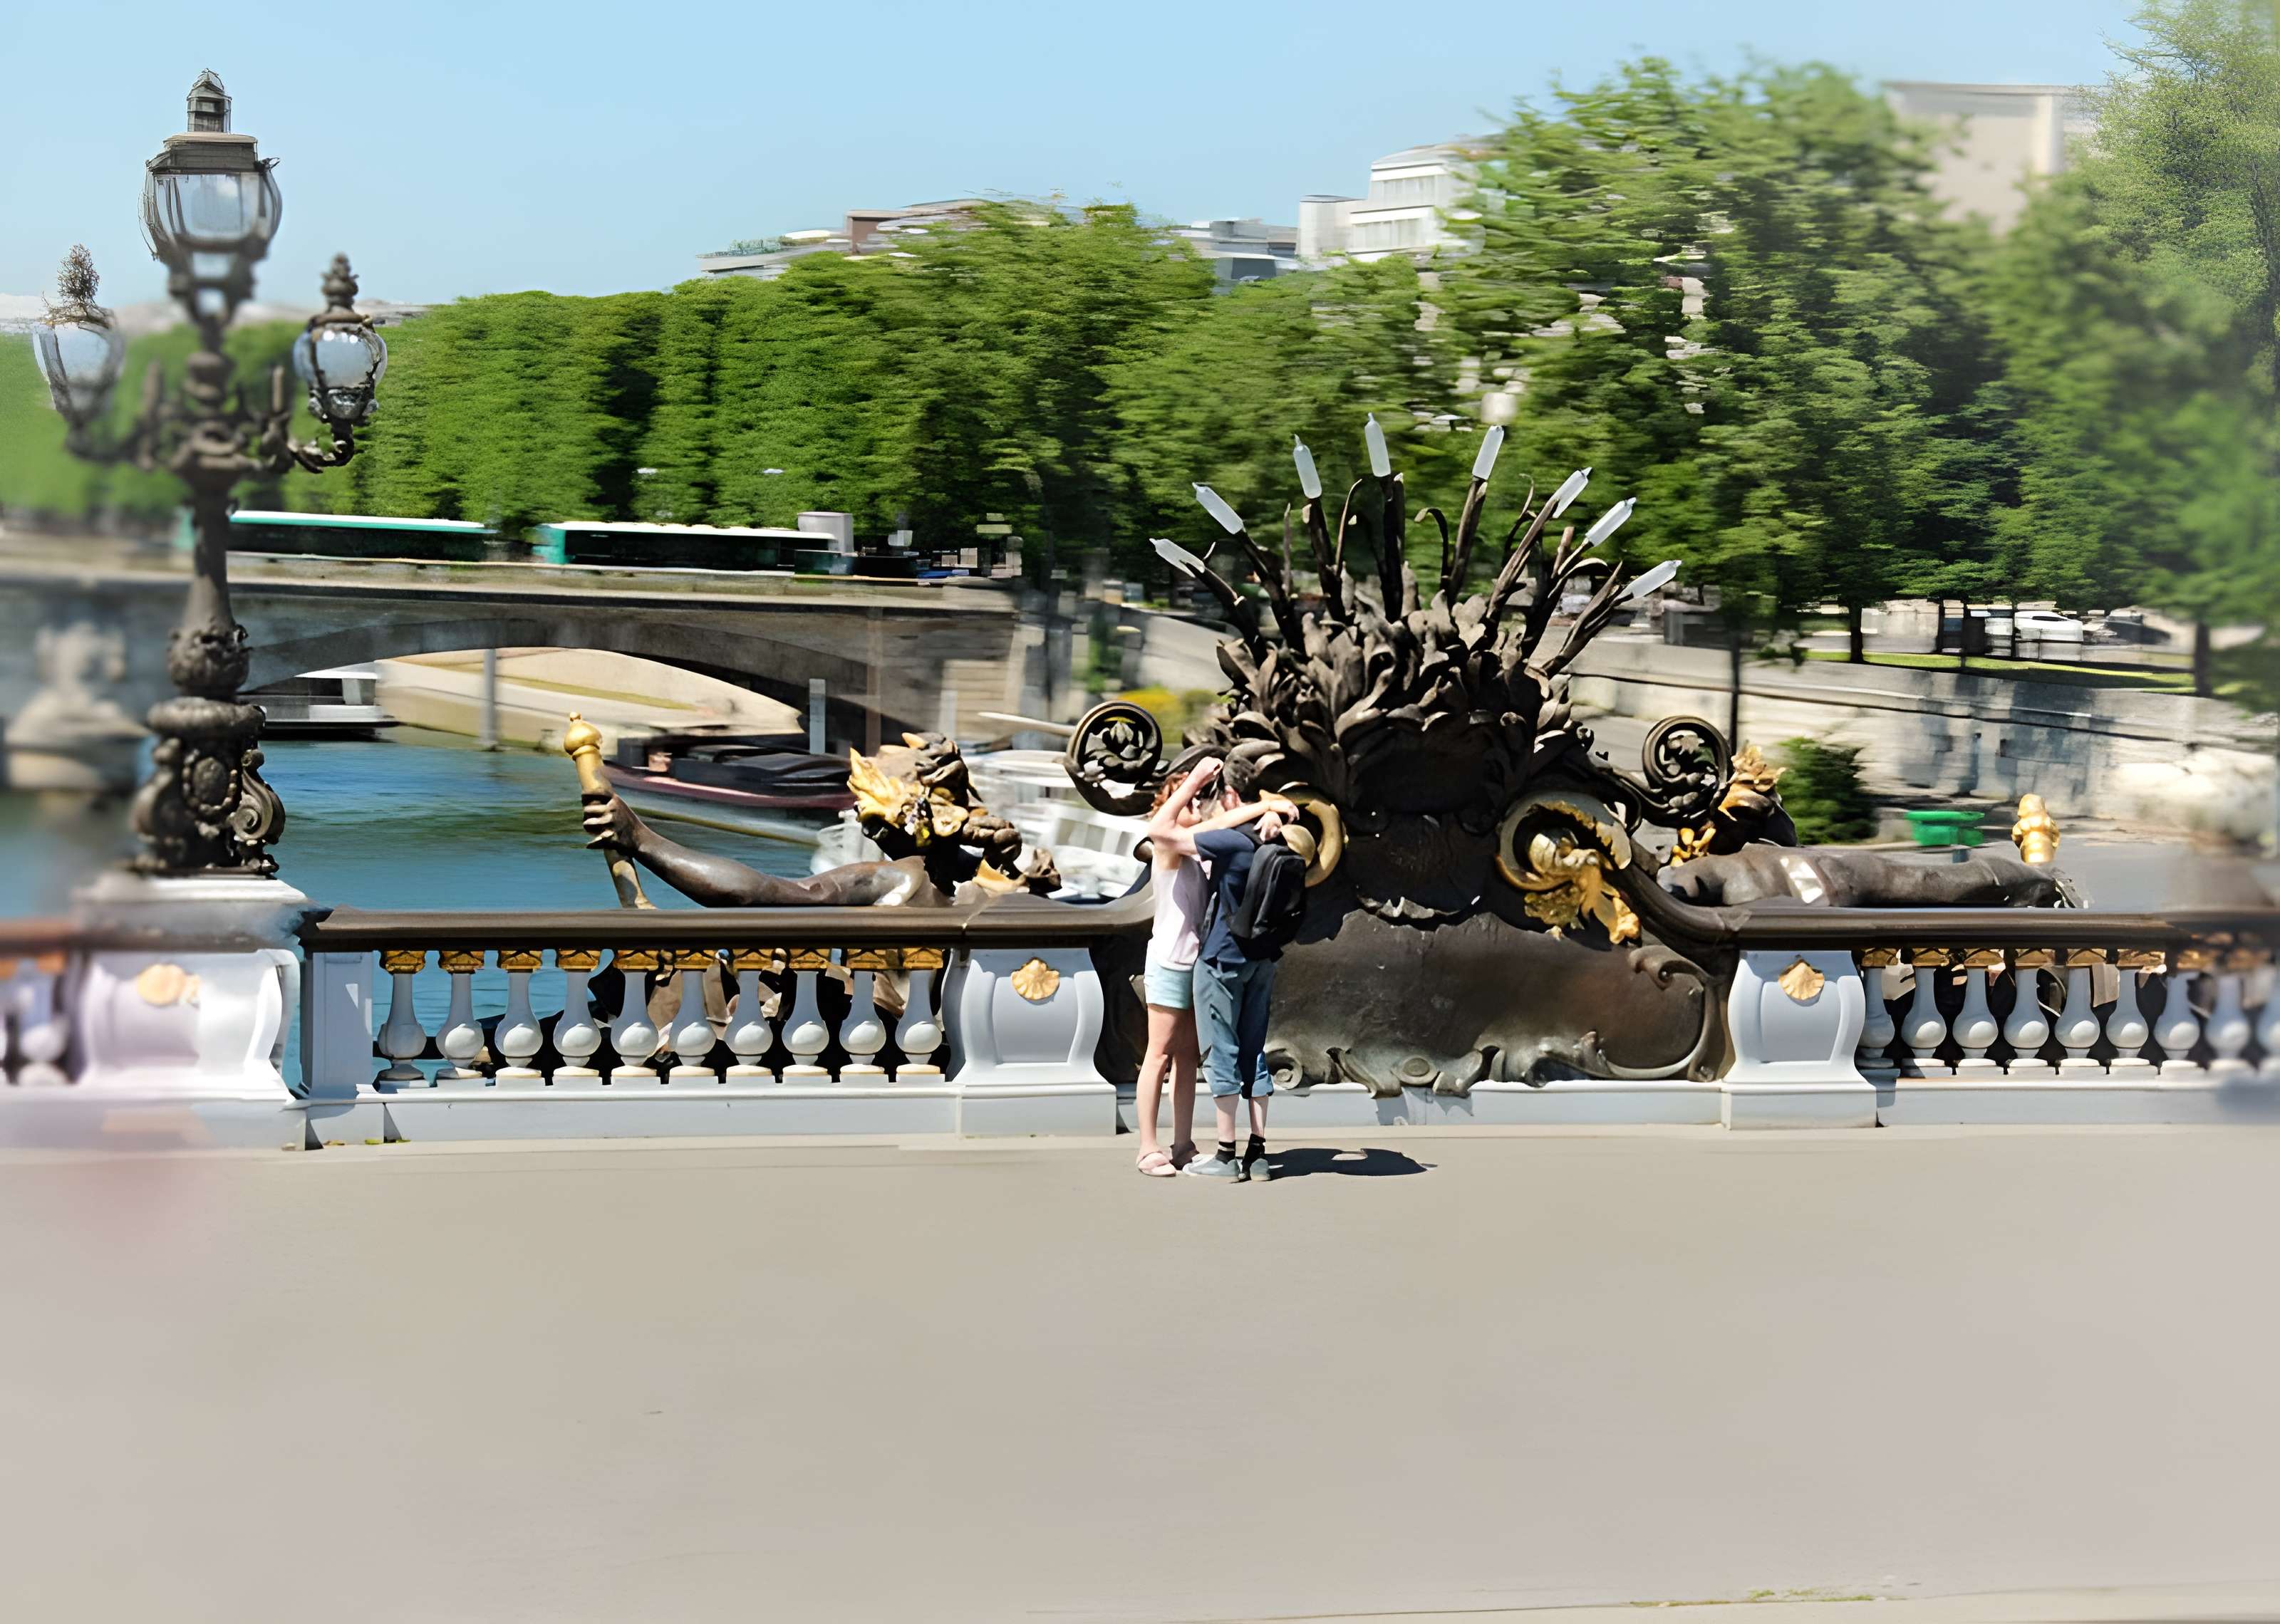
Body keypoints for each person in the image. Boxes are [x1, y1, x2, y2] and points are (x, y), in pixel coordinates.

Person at [1181, 767, 1302, 1183]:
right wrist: (1277, 811)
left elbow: (1161, 835)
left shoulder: (1231, 840)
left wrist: (1193, 788)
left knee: (1222, 1052)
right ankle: (1258, 1154)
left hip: (1221, 960)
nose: (1203, 811)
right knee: (1255, 1051)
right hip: (1263, 959)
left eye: (1209, 801)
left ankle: (1225, 1156)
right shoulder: (1281, 839)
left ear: (1232, 797)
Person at [1129, 756, 1217, 1177]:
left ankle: (1183, 1144)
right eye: (1189, 803)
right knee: (1158, 1055)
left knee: (1186, 1058)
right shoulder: (1167, 845)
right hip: (1168, 961)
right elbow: (1161, 824)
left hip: (1195, 963)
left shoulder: (1198, 850)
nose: (1195, 809)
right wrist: (1194, 778)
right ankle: (1148, 1147)